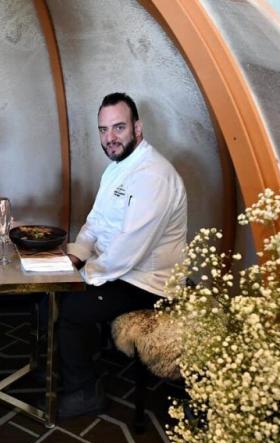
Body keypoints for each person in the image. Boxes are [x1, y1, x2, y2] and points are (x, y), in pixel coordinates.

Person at [58, 92, 187, 417]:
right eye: (103, 130)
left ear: (137, 128)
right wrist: (74, 256)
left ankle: (85, 390)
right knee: (57, 288)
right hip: (120, 270)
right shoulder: (117, 168)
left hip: (148, 283)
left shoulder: (152, 175)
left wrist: (81, 277)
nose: (109, 138)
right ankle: (73, 366)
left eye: (118, 128)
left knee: (72, 307)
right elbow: (96, 222)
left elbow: (131, 248)